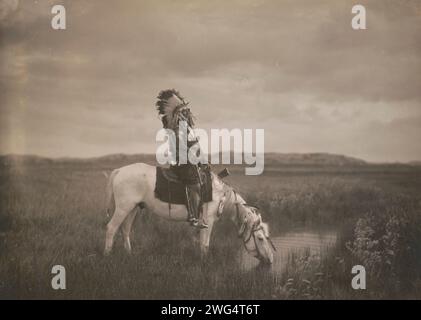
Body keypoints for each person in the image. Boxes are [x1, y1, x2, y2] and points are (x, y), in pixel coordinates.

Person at [156, 89, 208, 228]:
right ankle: (194, 216)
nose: (187, 112)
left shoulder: (180, 124)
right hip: (182, 161)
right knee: (195, 185)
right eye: (184, 110)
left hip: (183, 158)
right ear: (179, 112)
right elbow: (184, 143)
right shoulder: (175, 124)